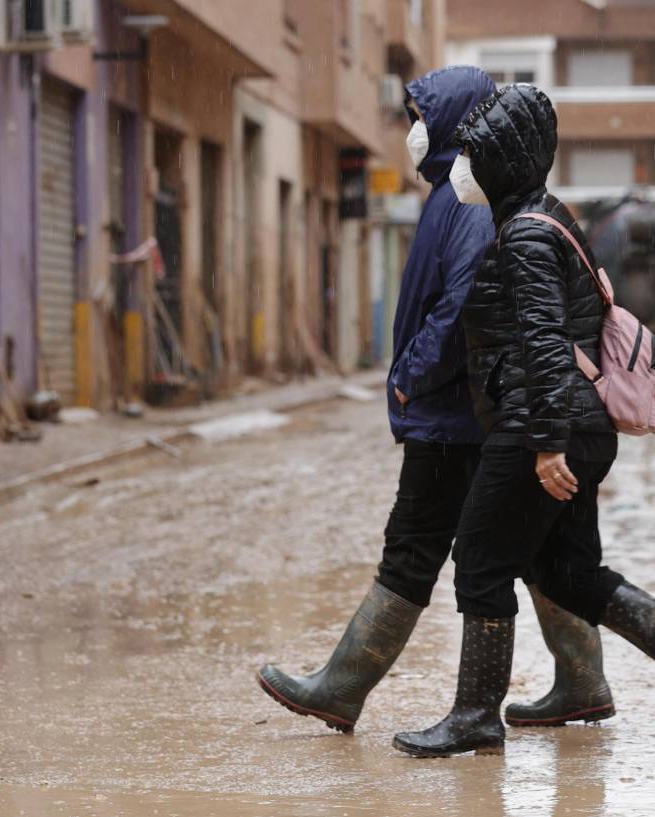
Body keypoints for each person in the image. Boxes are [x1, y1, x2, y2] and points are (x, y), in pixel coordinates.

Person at [257, 67, 615, 734]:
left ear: (453, 119)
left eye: (420, 114)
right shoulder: (458, 192)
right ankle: (583, 678)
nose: (412, 130)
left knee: (416, 545)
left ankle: (346, 685)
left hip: (456, 412)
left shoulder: (469, 198)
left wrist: (413, 373)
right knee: (533, 551)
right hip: (467, 407)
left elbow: (462, 304)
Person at [392, 84, 655, 758]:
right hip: (574, 426)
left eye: (473, 154)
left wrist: (546, 442)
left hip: (542, 426)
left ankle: (474, 715)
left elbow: (545, 341)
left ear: (501, 158)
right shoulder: (545, 219)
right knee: (567, 571)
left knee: (481, 557)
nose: (462, 165)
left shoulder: (524, 234)